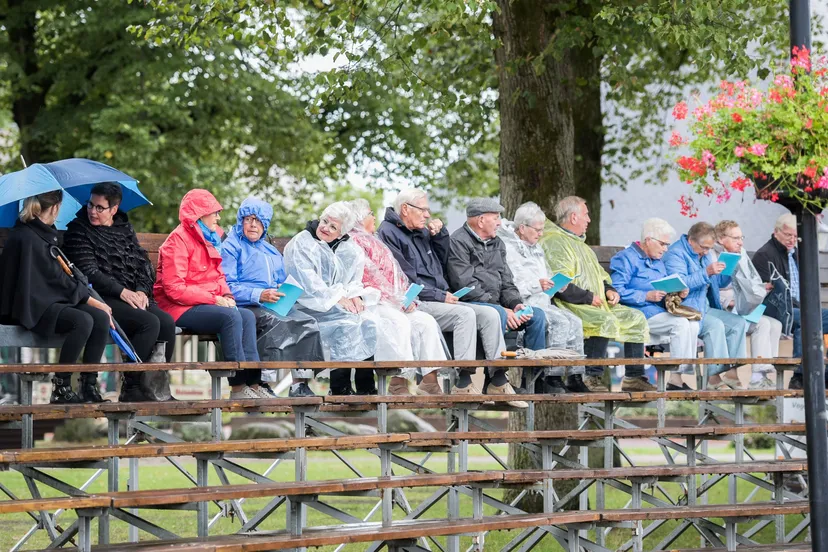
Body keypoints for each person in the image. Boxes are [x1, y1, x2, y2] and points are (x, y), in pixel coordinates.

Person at [378, 188, 507, 396]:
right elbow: (406, 278)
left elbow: (444, 260)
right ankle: (464, 382)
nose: (428, 215)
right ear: (405, 209)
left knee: (490, 313)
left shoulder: (419, 230)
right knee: (465, 314)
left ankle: (498, 379)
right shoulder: (388, 232)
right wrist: (440, 295)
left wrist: (440, 235)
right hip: (419, 300)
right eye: (423, 210)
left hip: (441, 296)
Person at [63, 182, 176, 402]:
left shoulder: (125, 229)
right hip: (100, 298)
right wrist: (122, 291)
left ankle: (155, 386)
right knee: (148, 323)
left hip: (132, 296)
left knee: (167, 323)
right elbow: (89, 272)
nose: (92, 211)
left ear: (114, 209)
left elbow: (143, 265)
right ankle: (131, 386)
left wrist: (142, 291)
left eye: (100, 207)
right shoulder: (78, 230)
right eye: (90, 205)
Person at [0, 190, 112, 404]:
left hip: (48, 300)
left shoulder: (43, 234)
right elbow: (56, 280)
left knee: (100, 318)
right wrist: (94, 301)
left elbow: (58, 279)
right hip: (30, 307)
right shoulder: (28, 236)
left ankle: (88, 385)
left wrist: (94, 303)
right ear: (55, 207)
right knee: (83, 320)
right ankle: (61, 387)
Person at [154, 189, 264, 399]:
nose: (218, 217)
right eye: (214, 212)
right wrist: (214, 299)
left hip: (205, 303)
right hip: (177, 307)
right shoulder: (177, 241)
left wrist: (228, 296)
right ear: (200, 214)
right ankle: (238, 387)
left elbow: (218, 276)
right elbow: (174, 289)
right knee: (230, 317)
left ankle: (254, 384)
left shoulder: (210, 238)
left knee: (246, 315)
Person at [542, 196, 655, 392]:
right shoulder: (556, 243)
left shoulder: (581, 245)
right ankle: (590, 377)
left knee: (635, 317)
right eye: (586, 215)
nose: (589, 220)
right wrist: (587, 297)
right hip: (574, 304)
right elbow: (560, 283)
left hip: (596, 301)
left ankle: (634, 377)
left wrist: (609, 290)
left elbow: (599, 275)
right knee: (603, 320)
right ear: (574, 217)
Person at [447, 197, 551, 407]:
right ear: (481, 220)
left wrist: (515, 304)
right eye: (495, 218)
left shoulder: (498, 243)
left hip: (499, 305)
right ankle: (498, 380)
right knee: (499, 315)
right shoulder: (458, 241)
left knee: (537, 315)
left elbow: (507, 281)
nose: (499, 222)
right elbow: (465, 284)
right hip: (471, 303)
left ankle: (533, 382)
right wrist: (503, 309)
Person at [221, 197, 325, 398]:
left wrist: (283, 289)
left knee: (308, 322)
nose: (253, 225)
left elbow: (279, 279)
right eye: (249, 219)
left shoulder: (269, 250)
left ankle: (299, 384)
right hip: (247, 304)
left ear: (265, 225)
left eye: (259, 221)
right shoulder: (231, 246)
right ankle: (263, 382)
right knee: (275, 322)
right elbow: (227, 285)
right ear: (241, 220)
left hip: (273, 302)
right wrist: (258, 294)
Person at [349, 199, 447, 395]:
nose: (374, 217)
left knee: (426, 321)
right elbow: (369, 278)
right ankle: (397, 382)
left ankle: (430, 380)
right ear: (359, 218)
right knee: (399, 322)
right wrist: (397, 300)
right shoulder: (354, 242)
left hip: (394, 300)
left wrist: (405, 297)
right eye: (370, 214)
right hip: (373, 302)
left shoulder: (375, 239)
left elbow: (396, 274)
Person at [283, 201, 380, 395]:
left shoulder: (349, 248)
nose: (325, 228)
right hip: (304, 304)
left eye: (333, 226)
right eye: (325, 221)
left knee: (368, 319)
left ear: (342, 232)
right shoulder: (302, 243)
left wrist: (355, 297)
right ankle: (339, 387)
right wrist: (336, 298)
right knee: (346, 322)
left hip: (331, 303)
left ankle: (365, 386)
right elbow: (308, 283)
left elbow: (353, 279)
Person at [497, 201, 585, 393]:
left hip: (542, 301)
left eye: (542, 229)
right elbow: (511, 287)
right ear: (522, 228)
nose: (540, 233)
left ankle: (575, 375)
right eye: (537, 229)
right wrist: (539, 285)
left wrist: (557, 285)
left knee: (575, 321)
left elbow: (546, 276)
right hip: (524, 305)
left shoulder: (536, 248)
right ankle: (552, 375)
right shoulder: (509, 249)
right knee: (560, 322)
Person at [610, 218, 698, 390]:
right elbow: (616, 290)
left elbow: (663, 290)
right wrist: (645, 295)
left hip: (657, 313)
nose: (666, 249)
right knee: (680, 323)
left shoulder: (658, 261)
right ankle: (676, 371)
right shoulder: (626, 258)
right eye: (663, 244)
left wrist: (678, 293)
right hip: (636, 314)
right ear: (648, 240)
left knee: (692, 324)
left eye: (667, 245)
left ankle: (678, 376)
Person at [663, 221, 747, 389]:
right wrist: (706, 271)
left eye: (709, 248)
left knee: (739, 323)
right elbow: (679, 285)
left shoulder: (704, 253)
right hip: (687, 309)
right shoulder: (675, 254)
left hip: (705, 307)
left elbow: (716, 283)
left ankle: (732, 373)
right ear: (691, 241)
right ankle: (713, 378)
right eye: (703, 247)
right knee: (715, 326)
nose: (706, 252)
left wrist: (731, 267)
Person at [752, 213, 828, 389]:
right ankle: (801, 375)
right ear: (776, 232)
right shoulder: (765, 255)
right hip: (775, 309)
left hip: (797, 308)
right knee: (808, 319)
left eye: (795, 236)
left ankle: (802, 375)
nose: (792, 239)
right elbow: (769, 296)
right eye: (788, 235)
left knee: (806, 324)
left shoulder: (795, 253)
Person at [714, 220, 783, 390]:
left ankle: (765, 372)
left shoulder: (741, 253)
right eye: (736, 238)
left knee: (776, 324)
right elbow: (712, 287)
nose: (741, 242)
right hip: (724, 310)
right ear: (722, 239)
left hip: (743, 307)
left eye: (741, 237)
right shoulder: (712, 256)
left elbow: (751, 279)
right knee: (763, 324)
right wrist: (727, 301)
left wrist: (761, 289)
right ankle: (757, 377)